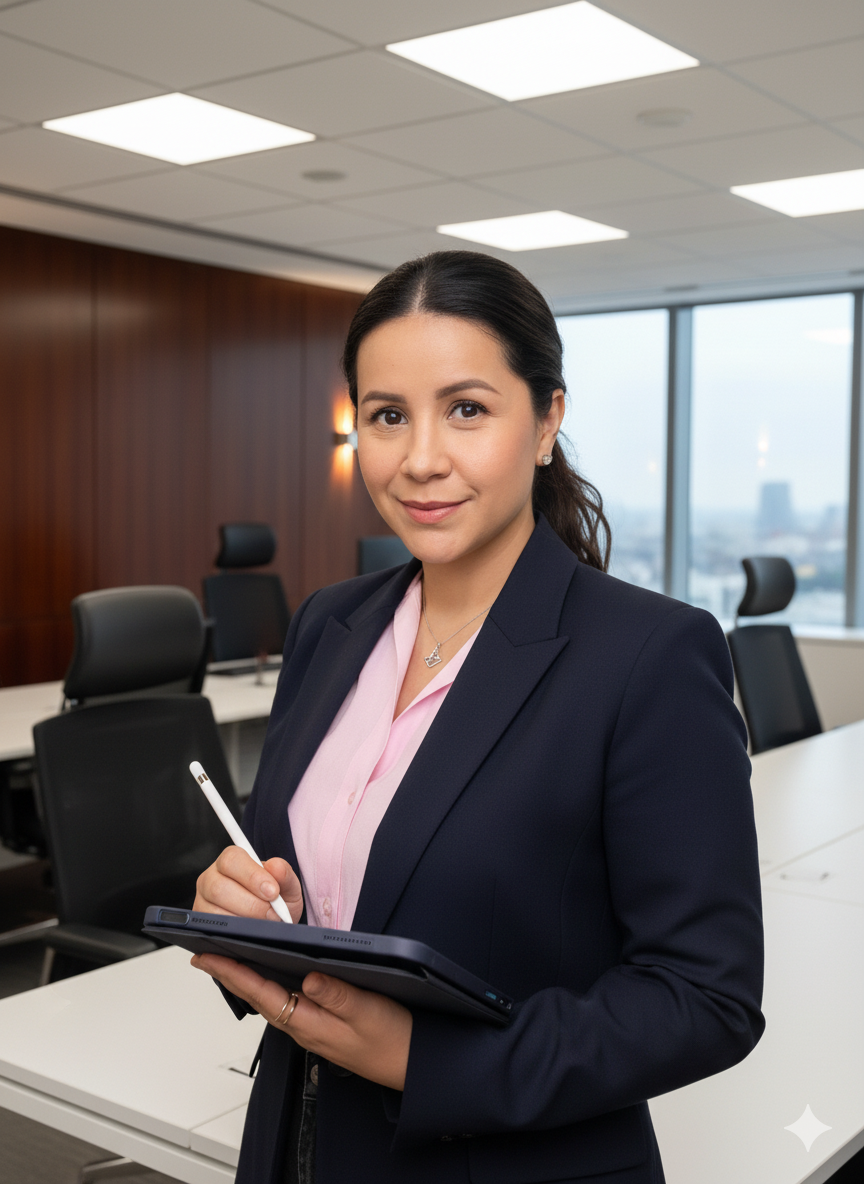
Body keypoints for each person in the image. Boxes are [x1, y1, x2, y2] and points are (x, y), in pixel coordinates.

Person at [191, 250, 764, 1184]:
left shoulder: (648, 656)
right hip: (297, 1151)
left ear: (547, 422)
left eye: (467, 409)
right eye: (386, 416)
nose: (421, 458)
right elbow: (300, 885)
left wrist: (430, 1062)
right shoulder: (330, 624)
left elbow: (706, 998)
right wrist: (244, 910)